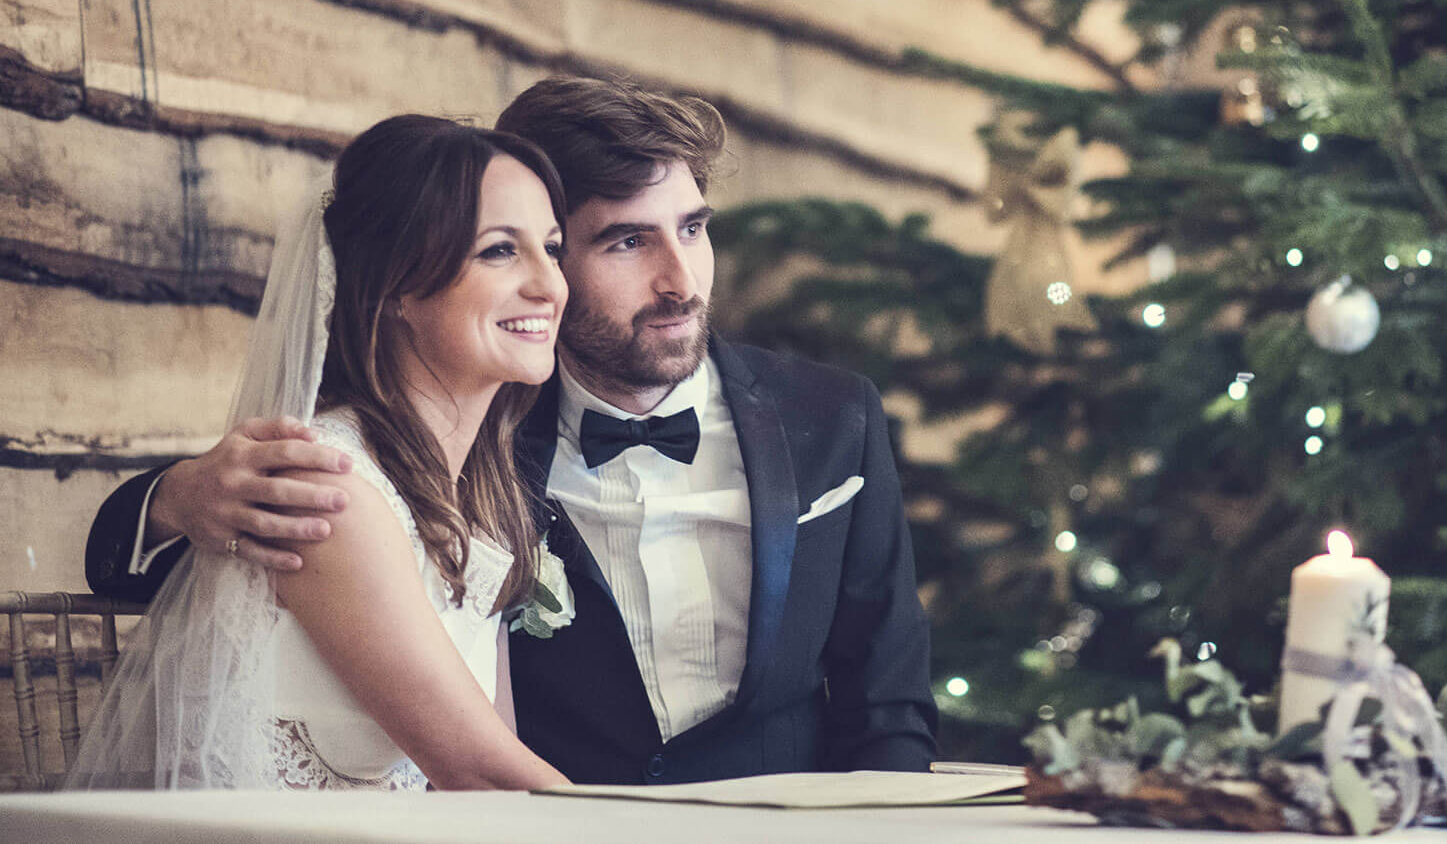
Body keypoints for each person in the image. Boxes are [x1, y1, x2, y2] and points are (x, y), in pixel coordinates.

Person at [86, 79, 938, 785]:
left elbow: (887, 704)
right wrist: (179, 495)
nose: (680, 280)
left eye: (693, 228)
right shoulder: (465, 439)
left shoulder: (831, 419)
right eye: (625, 242)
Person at [69, 116, 572, 790]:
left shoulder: (481, 496)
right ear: (395, 285)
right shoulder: (327, 488)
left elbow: (495, 762)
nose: (550, 284)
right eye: (499, 251)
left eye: (552, 247)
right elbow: (481, 770)